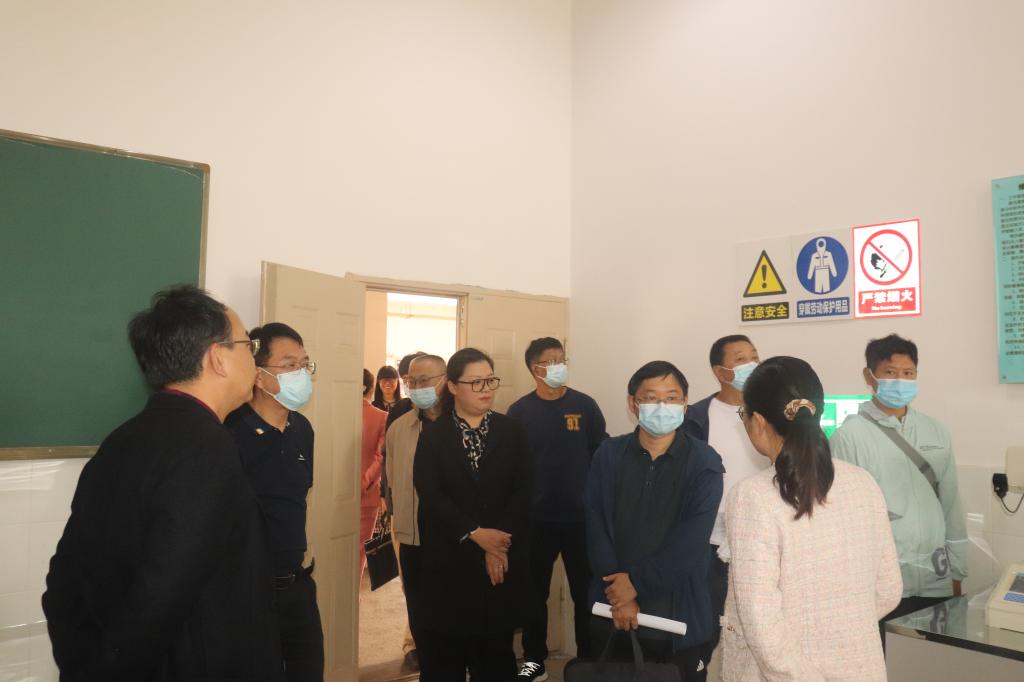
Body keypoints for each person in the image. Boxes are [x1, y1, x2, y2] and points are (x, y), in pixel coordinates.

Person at [42, 285, 283, 680]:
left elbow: (63, 580)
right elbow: (161, 595)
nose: (253, 358)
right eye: (247, 345)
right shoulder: (206, 450)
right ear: (217, 358)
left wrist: (84, 662)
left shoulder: (120, 440)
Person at [721, 356, 902, 680]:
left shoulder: (752, 496)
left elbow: (760, 620)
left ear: (758, 421)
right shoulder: (863, 482)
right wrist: (837, 629)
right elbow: (888, 589)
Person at [584, 360, 724, 681]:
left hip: (677, 612)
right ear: (632, 403)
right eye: (650, 397)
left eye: (671, 398)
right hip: (613, 607)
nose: (662, 406)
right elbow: (595, 524)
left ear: (685, 404)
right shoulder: (609, 454)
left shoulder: (704, 461)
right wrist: (619, 592)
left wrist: (634, 585)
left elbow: (691, 542)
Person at [830, 334, 967, 641]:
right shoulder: (849, 436)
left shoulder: (936, 431)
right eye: (890, 373)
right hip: (881, 583)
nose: (900, 381)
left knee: (933, 658)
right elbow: (843, 519)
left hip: (936, 578)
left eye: (908, 373)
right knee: (887, 658)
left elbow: (951, 503)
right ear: (870, 376)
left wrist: (958, 570)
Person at [413, 348, 535, 681]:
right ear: (452, 386)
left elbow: (523, 491)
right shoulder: (434, 436)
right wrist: (475, 533)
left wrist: (497, 545)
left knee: (495, 658)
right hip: (450, 562)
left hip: (499, 563)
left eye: (490, 381)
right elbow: (431, 494)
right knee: (445, 661)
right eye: (476, 382)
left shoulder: (512, 431)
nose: (486, 389)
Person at [224, 322, 323, 682]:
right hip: (247, 592)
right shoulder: (229, 431)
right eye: (290, 364)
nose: (302, 374)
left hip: (297, 585)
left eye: (305, 364)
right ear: (258, 373)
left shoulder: (302, 429)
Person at [507, 337, 607, 681]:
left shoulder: (585, 406)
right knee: (534, 593)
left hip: (581, 520)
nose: (559, 367)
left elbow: (601, 456)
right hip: (536, 521)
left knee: (585, 593)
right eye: (551, 361)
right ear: (534, 369)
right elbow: (512, 470)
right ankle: (534, 659)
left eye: (562, 359)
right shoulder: (519, 412)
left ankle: (588, 660)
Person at [683, 335, 768, 663]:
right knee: (705, 629)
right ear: (720, 371)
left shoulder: (771, 412)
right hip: (711, 542)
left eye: (755, 356)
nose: (752, 364)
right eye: (741, 358)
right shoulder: (695, 417)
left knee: (759, 628)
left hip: (761, 538)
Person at [385, 353, 449, 672]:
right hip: (412, 536)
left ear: (446, 381)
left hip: (455, 538)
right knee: (419, 608)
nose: (417, 387)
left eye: (425, 380)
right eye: (412, 381)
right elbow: (392, 477)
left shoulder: (463, 425)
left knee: (454, 610)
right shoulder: (399, 427)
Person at [361, 368, 387, 574]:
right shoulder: (382, 417)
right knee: (360, 551)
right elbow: (380, 458)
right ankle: (352, 592)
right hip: (367, 493)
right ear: (370, 388)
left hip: (332, 493)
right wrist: (363, 482)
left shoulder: (333, 413)